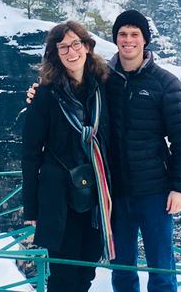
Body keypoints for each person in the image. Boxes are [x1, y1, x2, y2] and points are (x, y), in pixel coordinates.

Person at [22, 21, 115, 292]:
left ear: (87, 47)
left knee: (85, 274)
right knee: (63, 278)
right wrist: (32, 207)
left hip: (98, 199)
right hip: (61, 201)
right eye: (62, 46)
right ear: (55, 54)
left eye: (76, 44)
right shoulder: (45, 95)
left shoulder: (104, 89)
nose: (70, 51)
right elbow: (30, 153)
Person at [106, 9, 181, 292]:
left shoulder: (165, 83)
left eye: (135, 34)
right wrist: (38, 91)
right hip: (115, 193)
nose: (128, 40)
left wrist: (180, 187)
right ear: (116, 39)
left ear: (145, 40)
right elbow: (68, 87)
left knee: (161, 270)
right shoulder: (103, 80)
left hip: (156, 193)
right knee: (121, 270)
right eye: (123, 34)